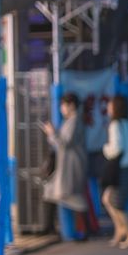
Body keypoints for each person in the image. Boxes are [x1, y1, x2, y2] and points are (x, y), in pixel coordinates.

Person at [42, 92, 89, 239]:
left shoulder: (73, 122)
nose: (62, 108)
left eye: (64, 105)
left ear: (72, 106)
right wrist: (53, 134)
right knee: (53, 192)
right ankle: (52, 227)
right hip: (68, 165)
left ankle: (83, 230)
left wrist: (52, 133)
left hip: (71, 166)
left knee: (72, 196)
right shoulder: (71, 121)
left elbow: (64, 143)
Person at [101, 93, 128, 248]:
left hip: (121, 168)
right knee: (108, 199)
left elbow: (116, 148)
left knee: (116, 202)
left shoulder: (115, 125)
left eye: (110, 105)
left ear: (115, 108)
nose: (108, 108)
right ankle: (120, 230)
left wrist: (105, 148)